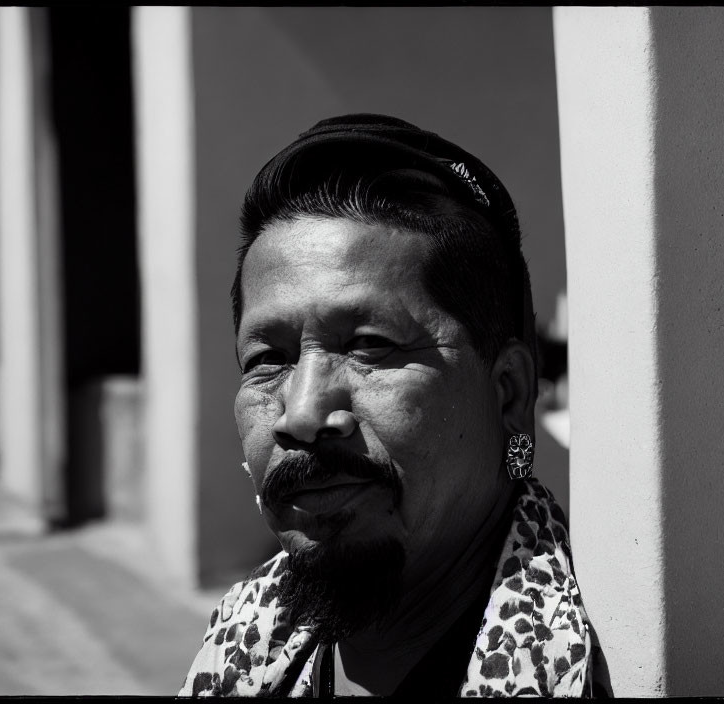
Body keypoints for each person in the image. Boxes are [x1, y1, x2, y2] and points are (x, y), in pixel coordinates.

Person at [179, 114, 610, 698]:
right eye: (268, 359)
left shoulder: (600, 657)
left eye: (370, 346)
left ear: (508, 391)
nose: (300, 415)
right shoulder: (242, 642)